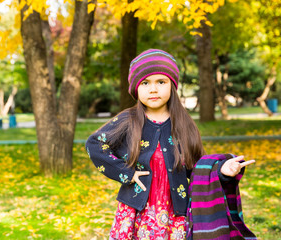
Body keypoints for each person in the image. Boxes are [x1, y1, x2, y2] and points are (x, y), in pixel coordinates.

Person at [85, 49, 256, 240]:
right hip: (136, 210)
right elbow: (95, 144)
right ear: (135, 88)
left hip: (174, 213)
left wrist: (222, 170)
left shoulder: (184, 124)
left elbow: (197, 167)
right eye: (145, 83)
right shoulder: (128, 120)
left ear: (172, 85)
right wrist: (126, 173)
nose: (153, 89)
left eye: (161, 82)